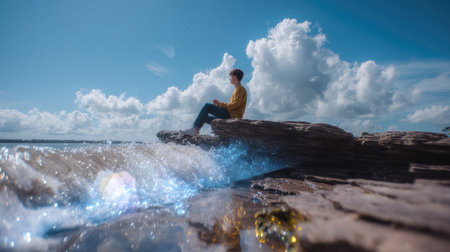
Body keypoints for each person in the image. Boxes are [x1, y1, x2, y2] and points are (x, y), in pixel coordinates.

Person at [180, 69, 247, 136]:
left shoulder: (240, 89)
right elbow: (234, 105)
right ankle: (196, 131)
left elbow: (235, 105)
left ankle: (194, 130)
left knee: (207, 106)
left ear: (235, 77)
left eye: (231, 76)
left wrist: (219, 104)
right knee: (204, 117)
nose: (230, 79)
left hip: (231, 116)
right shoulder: (237, 89)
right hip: (230, 115)